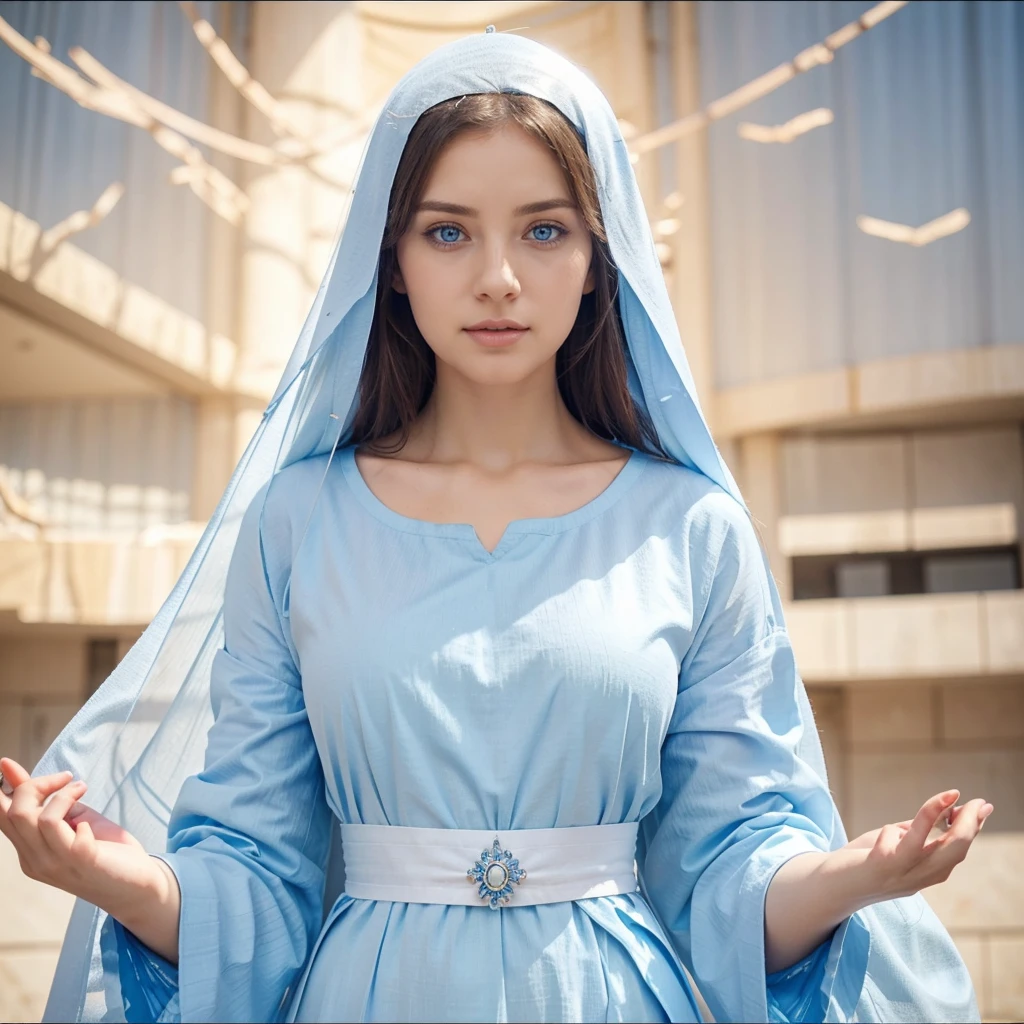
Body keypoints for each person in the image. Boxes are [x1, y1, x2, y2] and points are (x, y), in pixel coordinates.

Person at [0, 30, 987, 1024]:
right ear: (388, 260)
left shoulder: (691, 527)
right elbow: (256, 875)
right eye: (447, 231)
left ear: (603, 257)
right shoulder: (298, 520)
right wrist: (121, 880)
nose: (499, 277)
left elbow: (728, 867)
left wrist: (857, 875)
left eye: (545, 230)